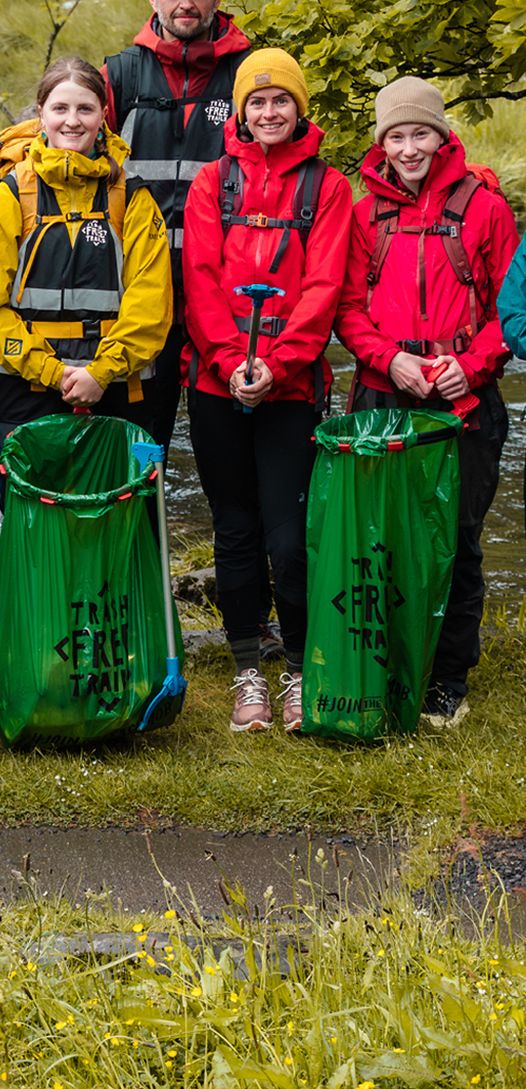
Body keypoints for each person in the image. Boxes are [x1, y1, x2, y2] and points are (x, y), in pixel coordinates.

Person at [181, 50, 353, 734]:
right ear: (242, 111)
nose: (270, 111)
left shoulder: (327, 188)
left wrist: (276, 366)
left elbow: (324, 286)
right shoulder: (211, 184)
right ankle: (249, 667)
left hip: (291, 387)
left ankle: (301, 672)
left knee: (289, 536)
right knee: (236, 530)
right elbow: (198, 278)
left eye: (282, 99)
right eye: (258, 101)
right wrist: (230, 363)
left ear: (299, 107)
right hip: (218, 385)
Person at [336, 77, 516, 728]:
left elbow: (509, 309)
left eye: (420, 134)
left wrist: (469, 368)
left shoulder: (487, 209)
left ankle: (447, 679)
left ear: (441, 137)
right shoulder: (364, 215)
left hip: (466, 404)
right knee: (383, 540)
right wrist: (391, 361)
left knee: (456, 543)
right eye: (396, 136)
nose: (408, 148)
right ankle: (389, 663)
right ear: (381, 143)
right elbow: (349, 313)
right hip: (384, 395)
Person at [0, 58, 172, 468]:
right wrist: (51, 372)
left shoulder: (131, 197)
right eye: (60, 109)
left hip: (115, 387)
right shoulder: (13, 194)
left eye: (85, 109)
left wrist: (100, 373)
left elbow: (151, 301)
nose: (72, 121)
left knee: (115, 519)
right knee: (33, 522)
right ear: (41, 114)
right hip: (26, 388)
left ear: (103, 117)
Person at [102, 0, 253, 457]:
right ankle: (146, 537)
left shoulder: (248, 78)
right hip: (141, 294)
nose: (185, 2)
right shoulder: (118, 76)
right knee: (142, 445)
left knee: (233, 452)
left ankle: (229, 539)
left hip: (227, 293)